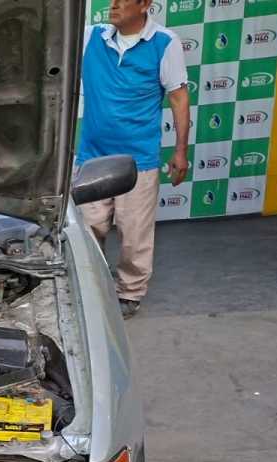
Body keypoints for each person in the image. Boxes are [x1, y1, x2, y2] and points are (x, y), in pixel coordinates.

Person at [77, 0, 190, 317]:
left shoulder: (164, 43)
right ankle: (91, 288)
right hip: (92, 157)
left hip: (138, 160)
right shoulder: (91, 37)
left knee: (134, 234)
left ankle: (129, 293)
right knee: (87, 230)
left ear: (145, 5)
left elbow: (179, 99)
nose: (114, 4)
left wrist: (180, 152)